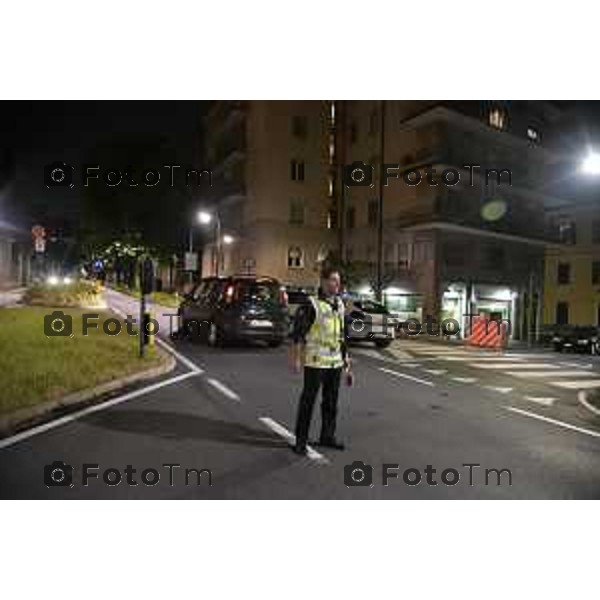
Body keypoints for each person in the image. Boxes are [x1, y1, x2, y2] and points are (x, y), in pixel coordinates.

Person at [289, 268, 352, 455]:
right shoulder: (311, 304)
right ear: (323, 282)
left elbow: (342, 337)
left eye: (338, 280)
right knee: (308, 401)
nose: (337, 284)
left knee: (331, 403)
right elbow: (298, 334)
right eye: (333, 280)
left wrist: (348, 365)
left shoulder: (340, 305)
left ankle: (327, 436)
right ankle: (300, 441)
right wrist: (296, 359)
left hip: (335, 363)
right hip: (315, 361)